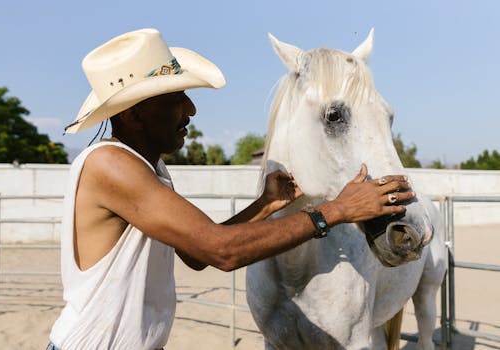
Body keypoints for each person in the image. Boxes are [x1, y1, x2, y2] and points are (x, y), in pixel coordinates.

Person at [47, 28, 415, 350]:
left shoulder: (149, 167)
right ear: (132, 113)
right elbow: (221, 252)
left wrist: (267, 203)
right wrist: (338, 210)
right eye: (175, 98)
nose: (190, 108)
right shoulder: (111, 165)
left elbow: (196, 254)